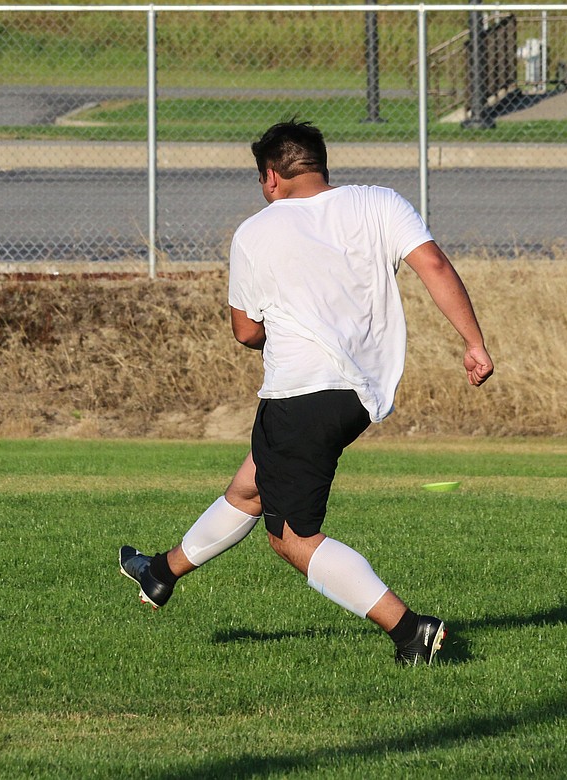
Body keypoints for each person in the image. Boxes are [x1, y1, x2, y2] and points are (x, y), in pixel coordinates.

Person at [119, 119, 494, 666]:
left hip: (300, 392)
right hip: (358, 395)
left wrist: (288, 324)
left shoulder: (256, 231)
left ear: (271, 177)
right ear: (320, 164)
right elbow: (433, 264)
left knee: (292, 536)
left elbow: (246, 331)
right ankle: (160, 573)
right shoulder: (380, 202)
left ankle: (411, 631)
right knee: (251, 488)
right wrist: (473, 342)